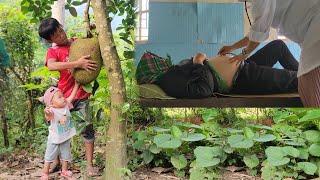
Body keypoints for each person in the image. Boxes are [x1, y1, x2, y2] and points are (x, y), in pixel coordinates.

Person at [218, 0, 320, 107]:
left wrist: (243, 54)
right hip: (241, 73)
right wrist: (232, 47)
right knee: (303, 79)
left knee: (308, 84)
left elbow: (258, 34)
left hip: (314, 24)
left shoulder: (259, 3)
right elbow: (254, 34)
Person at [38, 18, 98, 176]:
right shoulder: (53, 51)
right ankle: (57, 162)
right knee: (58, 130)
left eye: (60, 31)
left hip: (82, 93)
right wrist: (76, 63)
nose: (61, 36)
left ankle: (89, 165)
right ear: (50, 40)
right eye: (56, 36)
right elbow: (51, 65)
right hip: (62, 98)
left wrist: (92, 31)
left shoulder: (76, 43)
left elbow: (92, 46)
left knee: (87, 128)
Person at [157, 40, 298, 98]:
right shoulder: (169, 81)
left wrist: (231, 49)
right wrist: (198, 61)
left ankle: (308, 72)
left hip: (244, 63)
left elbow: (257, 33)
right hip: (243, 79)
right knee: (293, 78)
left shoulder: (174, 72)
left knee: (278, 46)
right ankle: (312, 79)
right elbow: (204, 89)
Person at [40, 84, 79, 180]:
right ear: (51, 103)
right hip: (54, 139)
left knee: (66, 154)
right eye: (59, 97)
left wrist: (76, 85)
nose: (63, 98)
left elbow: (72, 96)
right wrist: (46, 112)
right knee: (49, 156)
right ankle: (45, 173)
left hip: (65, 137)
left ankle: (64, 171)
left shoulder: (66, 105)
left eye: (63, 96)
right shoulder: (52, 110)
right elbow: (48, 116)